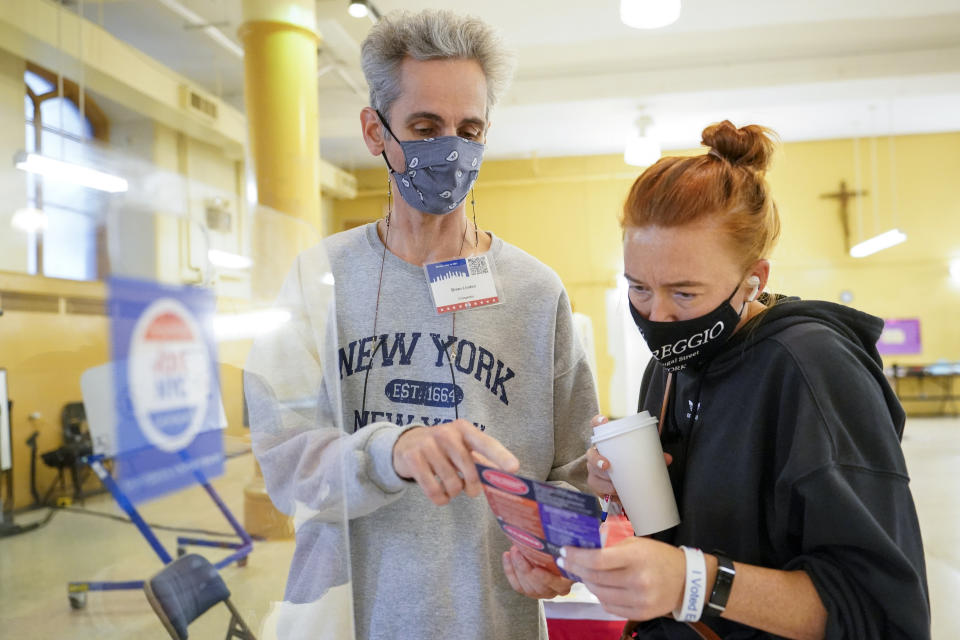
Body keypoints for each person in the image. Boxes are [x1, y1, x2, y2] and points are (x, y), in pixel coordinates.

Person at [245, 9, 598, 640]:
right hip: (347, 615)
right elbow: (284, 462)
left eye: (470, 128)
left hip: (489, 618)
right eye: (425, 126)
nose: (450, 150)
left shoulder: (536, 292)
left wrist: (561, 557)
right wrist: (392, 450)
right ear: (376, 132)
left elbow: (571, 477)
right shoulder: (316, 279)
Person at [558, 121, 930, 639]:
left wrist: (692, 580)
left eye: (685, 293)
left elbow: (875, 610)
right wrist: (621, 489)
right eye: (639, 288)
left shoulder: (814, 369)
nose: (658, 316)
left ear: (755, 279)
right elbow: (684, 527)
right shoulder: (668, 366)